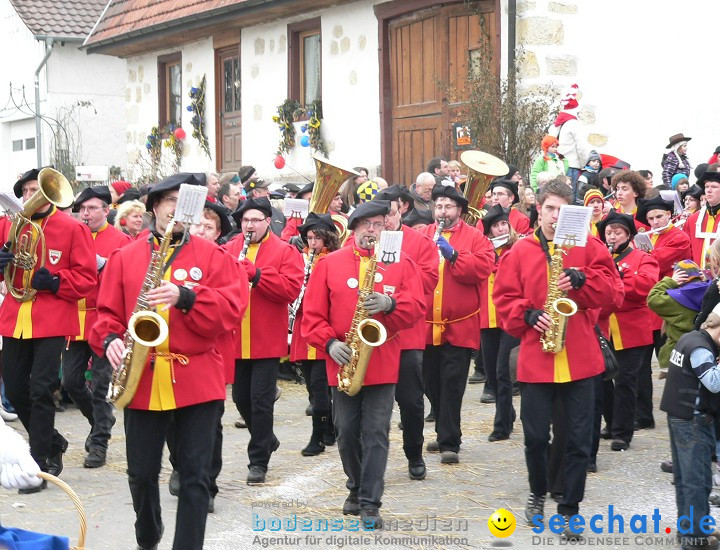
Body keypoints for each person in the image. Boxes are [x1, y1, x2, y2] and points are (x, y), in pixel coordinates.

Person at [89, 173, 249, 550]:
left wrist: (188, 298)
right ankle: (148, 535)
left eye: (186, 200)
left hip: (197, 378)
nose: (177, 207)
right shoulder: (125, 257)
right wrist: (110, 339)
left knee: (195, 476)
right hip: (141, 378)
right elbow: (105, 314)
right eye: (170, 199)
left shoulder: (214, 256)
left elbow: (232, 312)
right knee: (141, 474)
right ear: (155, 207)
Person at [493, 179, 623, 536]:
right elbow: (502, 299)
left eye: (562, 210)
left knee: (580, 439)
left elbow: (615, 294)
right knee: (535, 437)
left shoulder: (589, 245)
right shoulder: (519, 251)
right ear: (539, 209)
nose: (555, 216)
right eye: (549, 208)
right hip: (538, 358)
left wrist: (584, 282)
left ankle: (569, 508)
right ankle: (537, 493)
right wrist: (528, 314)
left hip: (581, 359)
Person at [301, 200, 424, 529]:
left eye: (379, 224)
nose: (372, 230)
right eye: (366, 224)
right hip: (341, 361)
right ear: (353, 228)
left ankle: (370, 501)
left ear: (387, 228)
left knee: (375, 433)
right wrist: (329, 343)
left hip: (383, 361)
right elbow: (311, 317)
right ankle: (355, 486)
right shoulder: (330, 264)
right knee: (346, 432)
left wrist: (391, 302)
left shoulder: (400, 261)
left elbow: (416, 307)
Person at [0, 168, 96, 493]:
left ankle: (39, 463)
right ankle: (53, 441)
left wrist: (55, 281)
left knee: (41, 389)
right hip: (15, 316)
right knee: (14, 390)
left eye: (34, 190)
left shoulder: (72, 228)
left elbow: (87, 279)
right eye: (26, 191)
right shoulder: (9, 226)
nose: (30, 196)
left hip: (52, 318)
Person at [225, 197, 303, 485]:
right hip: (235, 337)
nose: (249, 226)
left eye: (255, 220)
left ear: (268, 221)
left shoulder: (284, 250)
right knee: (240, 398)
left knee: (261, 400)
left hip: (266, 338)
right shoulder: (230, 248)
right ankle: (266, 437)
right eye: (245, 221)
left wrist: (257, 275)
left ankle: (258, 460)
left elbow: (290, 289)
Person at [422, 185, 494, 464]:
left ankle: (450, 441)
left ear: (459, 210)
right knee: (431, 382)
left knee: (452, 383)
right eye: (438, 206)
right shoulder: (423, 235)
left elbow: (483, 269)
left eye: (448, 207)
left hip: (459, 325)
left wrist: (454, 256)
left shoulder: (475, 237)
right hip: (427, 324)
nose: (443, 212)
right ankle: (442, 430)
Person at [64, 186, 131, 469]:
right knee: (70, 381)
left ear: (107, 210)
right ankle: (99, 420)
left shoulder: (121, 239)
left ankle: (99, 442)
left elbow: (127, 280)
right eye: (83, 209)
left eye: (92, 208)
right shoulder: (70, 235)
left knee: (103, 384)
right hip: (73, 319)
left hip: (104, 322)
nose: (86, 214)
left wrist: (106, 267)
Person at [374, 185, 438, 480]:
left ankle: (414, 452)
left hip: (407, 333)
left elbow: (428, 283)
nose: (384, 221)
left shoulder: (419, 242)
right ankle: (374, 459)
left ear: (400, 210)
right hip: (374, 334)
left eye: (389, 214)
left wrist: (399, 272)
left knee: (411, 400)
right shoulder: (365, 240)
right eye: (379, 216)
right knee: (375, 403)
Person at [596, 211, 659, 450]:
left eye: (617, 232)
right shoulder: (600, 256)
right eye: (609, 232)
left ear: (629, 235)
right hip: (603, 327)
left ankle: (623, 432)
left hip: (631, 328)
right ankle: (611, 422)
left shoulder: (643, 257)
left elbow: (645, 285)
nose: (612, 236)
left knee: (625, 381)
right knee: (602, 379)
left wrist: (615, 280)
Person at [660, 305, 720, 550]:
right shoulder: (700, 350)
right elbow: (713, 383)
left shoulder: (689, 338)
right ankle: (696, 536)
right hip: (692, 420)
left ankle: (691, 529)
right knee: (698, 479)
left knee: (685, 478)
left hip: (679, 415)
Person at [289, 213, 340, 456]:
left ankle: (317, 437)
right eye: (309, 238)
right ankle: (329, 428)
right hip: (303, 329)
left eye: (317, 238)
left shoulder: (333, 260)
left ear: (328, 239)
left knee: (320, 388)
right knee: (312, 386)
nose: (312, 243)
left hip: (324, 331)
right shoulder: (301, 259)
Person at [479, 204, 520, 441]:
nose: (501, 228)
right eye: (495, 226)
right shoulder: (485, 251)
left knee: (503, 371)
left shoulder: (517, 248)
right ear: (489, 232)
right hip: (487, 317)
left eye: (504, 223)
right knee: (491, 375)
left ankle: (502, 424)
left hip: (510, 318)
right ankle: (507, 412)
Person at [548, 83, 589, 199]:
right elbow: (581, 148)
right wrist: (583, 164)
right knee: (570, 199)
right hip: (571, 165)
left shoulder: (556, 125)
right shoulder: (574, 124)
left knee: (559, 197)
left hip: (557, 165)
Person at [684, 170, 720, 268]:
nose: (709, 190)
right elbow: (687, 250)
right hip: (698, 277)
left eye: (714, 187)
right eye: (707, 187)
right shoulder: (693, 219)